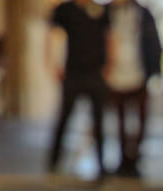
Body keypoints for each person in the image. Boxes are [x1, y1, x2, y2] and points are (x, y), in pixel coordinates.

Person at [46, 0, 112, 180]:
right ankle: (53, 162)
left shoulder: (100, 11)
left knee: (98, 121)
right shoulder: (64, 11)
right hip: (73, 72)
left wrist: (109, 65)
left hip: (94, 72)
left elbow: (109, 37)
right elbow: (53, 35)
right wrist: (53, 62)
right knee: (64, 118)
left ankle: (101, 164)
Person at [105, 0, 162, 178]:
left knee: (140, 118)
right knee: (120, 119)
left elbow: (154, 43)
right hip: (115, 73)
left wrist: (154, 71)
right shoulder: (107, 13)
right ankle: (123, 158)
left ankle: (135, 156)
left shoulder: (143, 14)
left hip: (139, 72)